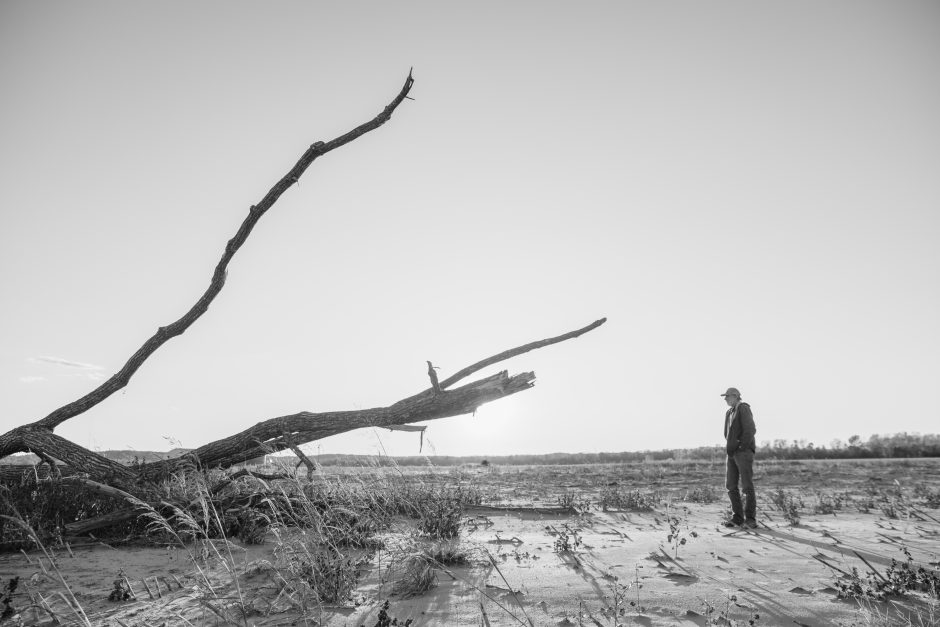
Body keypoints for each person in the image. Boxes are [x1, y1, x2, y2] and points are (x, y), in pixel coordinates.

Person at [721, 387, 757, 528]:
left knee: (747, 486)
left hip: (743, 452)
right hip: (731, 453)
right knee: (730, 485)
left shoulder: (743, 408)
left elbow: (750, 429)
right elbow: (727, 433)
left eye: (728, 396)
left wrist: (742, 447)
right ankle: (737, 518)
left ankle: (750, 519)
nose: (725, 399)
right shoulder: (729, 412)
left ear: (736, 396)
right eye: (725, 396)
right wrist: (731, 447)